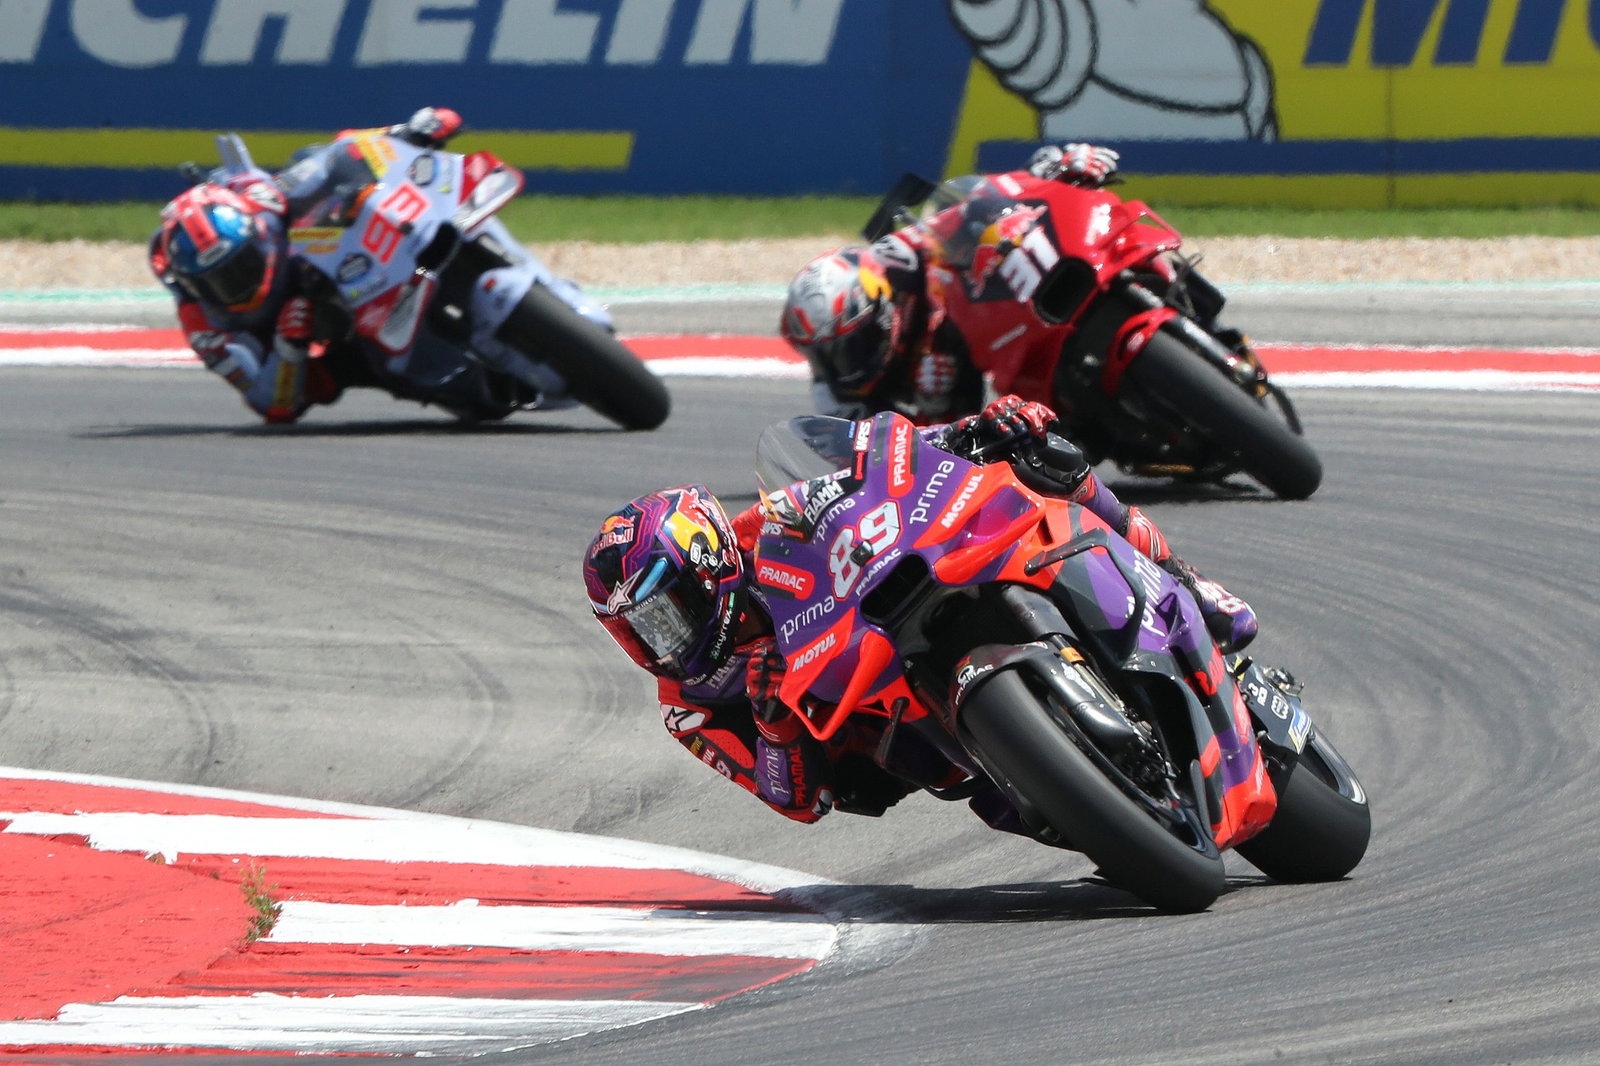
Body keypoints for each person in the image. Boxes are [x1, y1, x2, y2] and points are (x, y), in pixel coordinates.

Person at [581, 395, 1257, 834]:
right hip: (875, 732)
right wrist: (773, 720)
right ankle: (1074, 792)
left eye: (666, 614)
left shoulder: (766, 526)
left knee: (1045, 464)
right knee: (995, 803)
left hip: (892, 603)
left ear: (708, 564)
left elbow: (885, 464)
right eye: (639, 632)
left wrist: (973, 429)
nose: (661, 643)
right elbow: (793, 800)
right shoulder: (687, 704)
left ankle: (1179, 580)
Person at [147, 107, 464, 423]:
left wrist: (408, 133)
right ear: (192, 284)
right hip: (305, 332)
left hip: (326, 259)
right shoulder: (203, 325)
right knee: (322, 385)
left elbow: (338, 151)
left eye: (242, 265)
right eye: (217, 281)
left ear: (257, 234)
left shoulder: (265, 200)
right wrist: (289, 347)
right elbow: (268, 404)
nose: (236, 283)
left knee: (311, 158)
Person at [779, 143, 1121, 425]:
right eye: (822, 355)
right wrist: (932, 408)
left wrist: (1050, 168)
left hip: (1004, 308)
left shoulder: (900, 258)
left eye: (847, 347)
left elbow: (978, 205)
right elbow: (888, 464)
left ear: (878, 309)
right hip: (977, 389)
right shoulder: (838, 399)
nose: (839, 366)